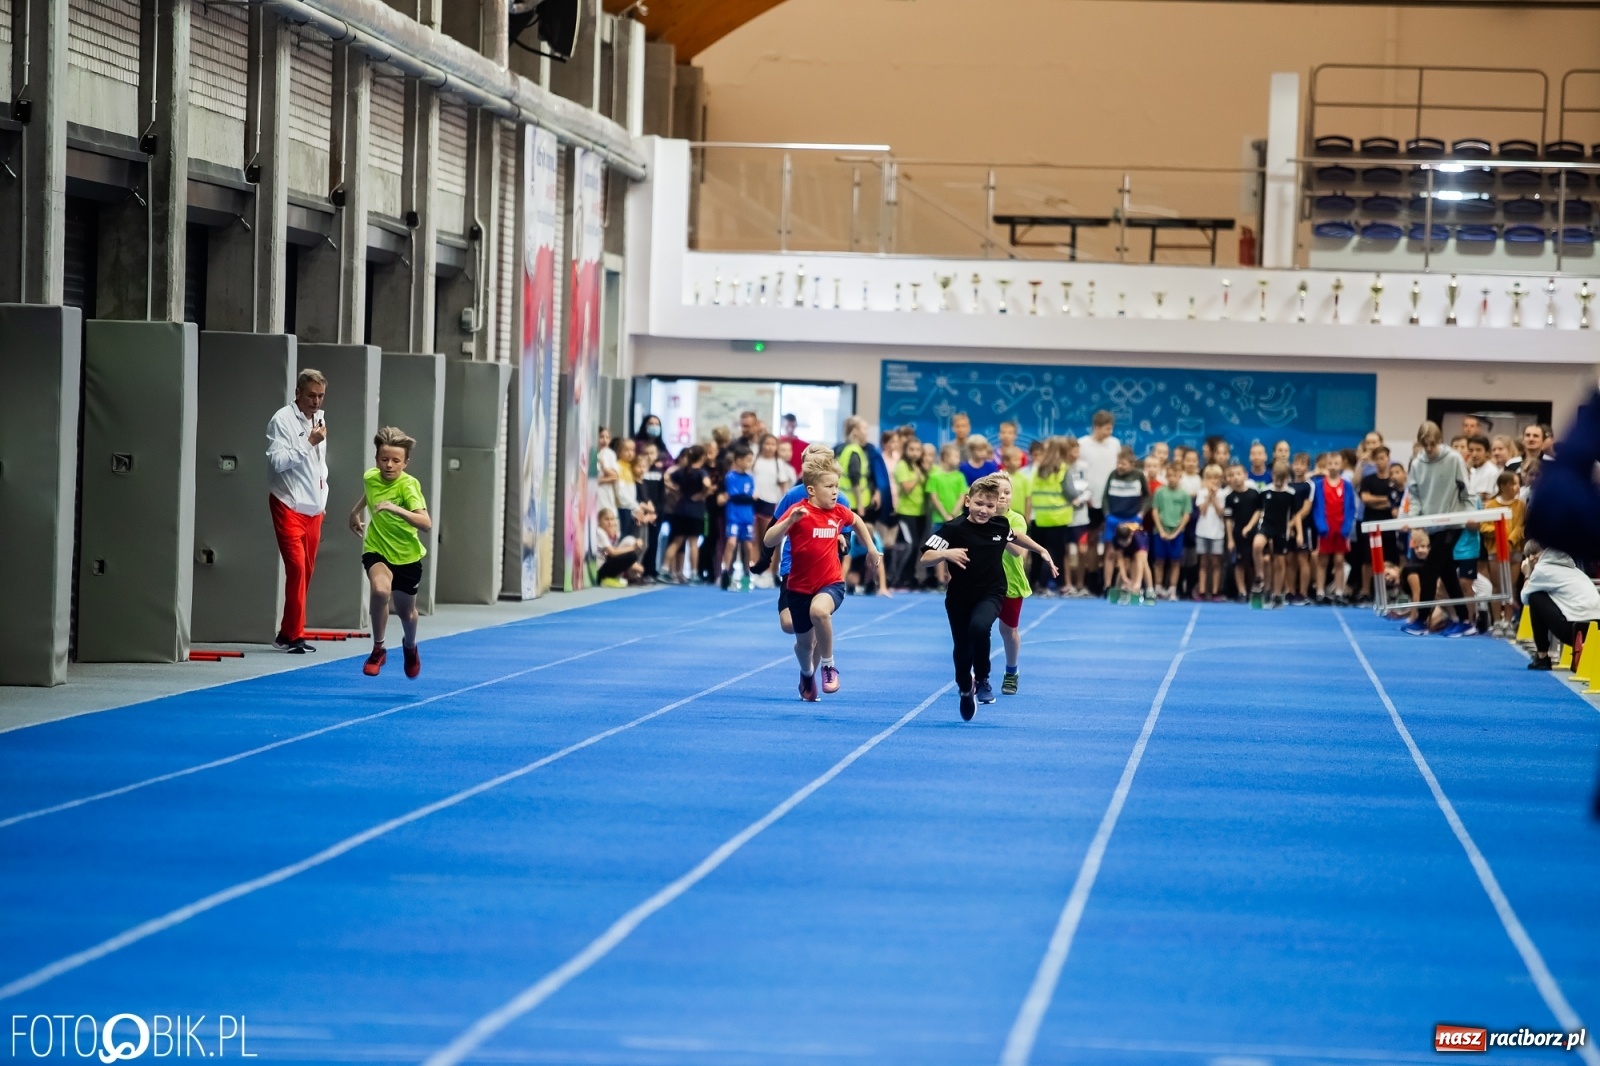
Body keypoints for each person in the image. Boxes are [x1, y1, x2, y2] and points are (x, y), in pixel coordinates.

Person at [764, 454, 881, 700]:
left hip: (831, 584)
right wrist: (788, 523)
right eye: (829, 487)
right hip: (798, 588)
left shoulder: (839, 511)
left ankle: (828, 666)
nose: (835, 492)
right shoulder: (798, 511)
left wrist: (870, 548)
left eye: (836, 486)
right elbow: (768, 540)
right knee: (805, 646)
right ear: (811, 490)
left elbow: (858, 521)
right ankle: (807, 675)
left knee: (820, 612)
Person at [921, 474, 1016, 721]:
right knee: (962, 649)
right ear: (967, 501)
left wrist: (1041, 550)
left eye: (990, 506)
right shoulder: (953, 528)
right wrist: (947, 553)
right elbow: (925, 557)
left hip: (992, 591)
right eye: (979, 504)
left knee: (980, 626)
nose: (984, 510)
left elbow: (1014, 538)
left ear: (997, 507)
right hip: (960, 596)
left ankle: (983, 677)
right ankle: (966, 687)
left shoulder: (1001, 526)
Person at [348, 426, 431, 679]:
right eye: (384, 459)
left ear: (405, 463)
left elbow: (425, 523)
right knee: (381, 590)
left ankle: (410, 646)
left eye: (396, 461)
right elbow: (371, 492)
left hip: (407, 555)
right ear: (376, 460)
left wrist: (395, 509)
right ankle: (378, 649)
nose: (389, 465)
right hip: (377, 548)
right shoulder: (370, 476)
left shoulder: (409, 486)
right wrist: (355, 511)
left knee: (407, 613)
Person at [266, 369, 329, 654]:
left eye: (320, 396)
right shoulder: (281, 420)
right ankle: (294, 634)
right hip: (289, 504)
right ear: (298, 393)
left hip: (314, 507)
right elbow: (278, 462)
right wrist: (308, 442)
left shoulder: (320, 419)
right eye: (311, 396)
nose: (316, 401)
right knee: (297, 568)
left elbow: (318, 464)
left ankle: (287, 633)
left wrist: (323, 495)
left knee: (308, 571)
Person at [1403, 420, 1474, 637]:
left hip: (1452, 522)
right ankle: (1464, 619)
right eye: (1425, 446)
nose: (1429, 449)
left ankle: (1422, 619)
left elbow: (1466, 489)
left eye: (1432, 444)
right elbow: (1414, 495)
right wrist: (1414, 521)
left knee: (1429, 571)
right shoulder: (1417, 464)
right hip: (1432, 524)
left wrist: (1470, 514)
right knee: (1448, 574)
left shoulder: (1453, 458)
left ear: (1439, 441)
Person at [996, 472, 1058, 693]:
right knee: (978, 628)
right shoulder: (978, 517)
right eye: (997, 492)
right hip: (984, 584)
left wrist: (999, 529)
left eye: (1007, 492)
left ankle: (1011, 671)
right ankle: (978, 675)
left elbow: (1018, 552)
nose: (1002, 496)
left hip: (1011, 583)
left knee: (1008, 631)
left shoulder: (1016, 520)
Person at [1521, 546, 1600, 670]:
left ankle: (1542, 656)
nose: (1531, 558)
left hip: (1576, 631)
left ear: (1545, 551)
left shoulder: (1543, 570)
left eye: (1535, 553)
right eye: (1528, 555)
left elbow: (1525, 599)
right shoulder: (1575, 571)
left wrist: (1527, 575)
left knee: (1535, 597)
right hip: (1596, 630)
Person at [1027, 437, 1074, 595]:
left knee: (1038, 554)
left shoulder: (1037, 468)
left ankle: (1036, 584)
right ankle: (1052, 585)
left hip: (1040, 517)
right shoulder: (1062, 469)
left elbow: (1032, 490)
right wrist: (1080, 497)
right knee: (1056, 554)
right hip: (1058, 518)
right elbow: (1070, 492)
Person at [1101, 445, 1150, 594]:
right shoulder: (1112, 475)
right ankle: (1108, 586)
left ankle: (1134, 585)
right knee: (1111, 552)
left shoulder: (1139, 476)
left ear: (1131, 464)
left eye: (1123, 464)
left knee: (1135, 553)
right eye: (1118, 463)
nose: (1119, 466)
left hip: (1132, 519)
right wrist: (1107, 514)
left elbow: (1148, 497)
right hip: (1113, 519)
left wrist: (1140, 515)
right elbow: (1105, 497)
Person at [1311, 450, 1356, 605]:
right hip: (1326, 528)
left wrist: (1347, 527)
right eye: (1330, 463)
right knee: (1322, 561)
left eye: (1336, 463)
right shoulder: (1319, 485)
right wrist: (1321, 525)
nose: (1333, 466)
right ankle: (1320, 592)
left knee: (1339, 561)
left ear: (1342, 465)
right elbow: (1316, 507)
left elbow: (1351, 508)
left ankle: (1339, 591)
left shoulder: (1347, 486)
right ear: (1326, 465)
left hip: (1341, 528)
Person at [664, 444, 712, 583]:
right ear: (702, 457)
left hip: (680, 508)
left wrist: (675, 490)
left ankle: (665, 569)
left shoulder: (682, 471)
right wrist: (703, 494)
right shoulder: (702, 472)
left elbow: (666, 478)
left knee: (676, 541)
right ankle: (694, 573)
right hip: (695, 510)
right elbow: (707, 484)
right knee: (693, 542)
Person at [751, 433, 794, 580]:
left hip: (771, 502)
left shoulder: (778, 463)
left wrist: (785, 504)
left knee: (768, 539)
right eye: (766, 444)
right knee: (754, 538)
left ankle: (769, 572)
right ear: (761, 445)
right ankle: (754, 568)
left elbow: (783, 485)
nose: (769, 447)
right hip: (755, 500)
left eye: (772, 444)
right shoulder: (755, 461)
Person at [1079, 410, 1121, 563]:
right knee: (1092, 539)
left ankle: (1105, 575)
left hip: (1111, 500)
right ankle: (1091, 573)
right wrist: (1084, 494)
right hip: (1090, 500)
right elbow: (1077, 472)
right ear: (1096, 427)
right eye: (1107, 429)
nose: (1110, 432)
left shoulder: (1115, 444)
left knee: (1111, 539)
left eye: (1111, 428)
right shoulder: (1082, 444)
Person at [1257, 461, 1299, 608]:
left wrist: (1296, 531)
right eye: (1276, 478)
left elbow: (1295, 515)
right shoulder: (1265, 491)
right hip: (1266, 527)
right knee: (1260, 549)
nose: (1279, 482)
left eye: (1282, 479)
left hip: (1281, 530)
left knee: (1279, 562)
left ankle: (1276, 594)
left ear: (1287, 478)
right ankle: (1260, 576)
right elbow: (1259, 511)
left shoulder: (1290, 494)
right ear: (1272, 476)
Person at [719, 444, 759, 590]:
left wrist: (750, 498)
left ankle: (747, 575)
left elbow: (749, 496)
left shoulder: (750, 478)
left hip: (747, 517)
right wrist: (750, 498)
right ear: (739, 460)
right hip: (734, 516)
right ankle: (725, 573)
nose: (750, 463)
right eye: (748, 460)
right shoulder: (730, 476)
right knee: (731, 543)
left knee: (748, 546)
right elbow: (735, 496)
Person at [1150, 461, 1191, 600]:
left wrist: (1176, 532)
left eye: (1175, 475)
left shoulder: (1184, 495)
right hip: (1160, 532)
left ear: (1180, 476)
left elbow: (1186, 515)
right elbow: (1155, 511)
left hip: (1177, 532)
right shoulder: (1159, 492)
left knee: (1175, 561)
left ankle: (1172, 590)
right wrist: (1161, 530)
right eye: (1170, 475)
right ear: (1166, 476)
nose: (1172, 478)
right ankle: (1158, 588)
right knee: (1159, 560)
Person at [892, 439, 930, 589]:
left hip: (921, 512)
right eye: (911, 449)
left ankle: (912, 577)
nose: (915, 453)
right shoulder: (902, 466)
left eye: (917, 450)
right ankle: (900, 577)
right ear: (906, 451)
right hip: (906, 512)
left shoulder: (921, 467)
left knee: (920, 547)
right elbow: (906, 487)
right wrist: (918, 476)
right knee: (910, 545)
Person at [1224, 463, 1261, 601]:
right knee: (1239, 563)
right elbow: (1228, 520)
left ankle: (1254, 590)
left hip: (1253, 533)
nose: (1236, 478)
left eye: (1238, 474)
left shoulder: (1253, 494)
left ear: (1245, 475)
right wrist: (1230, 539)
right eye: (1232, 475)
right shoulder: (1229, 497)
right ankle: (1242, 592)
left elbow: (1258, 511)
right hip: (1237, 534)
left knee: (1252, 563)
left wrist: (1250, 526)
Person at [1194, 463, 1227, 601]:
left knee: (1215, 562)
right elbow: (1202, 510)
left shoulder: (1223, 494)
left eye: (1216, 478)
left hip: (1217, 532)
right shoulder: (1201, 493)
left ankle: (1215, 591)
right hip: (1202, 531)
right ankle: (1201, 590)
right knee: (1203, 562)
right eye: (1211, 478)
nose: (1214, 481)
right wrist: (1208, 497)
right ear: (1205, 479)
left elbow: (1221, 512)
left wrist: (1214, 497)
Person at [594, 508, 644, 587]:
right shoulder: (599, 532)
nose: (610, 522)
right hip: (599, 571)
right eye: (606, 519)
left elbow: (626, 543)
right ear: (600, 520)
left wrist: (637, 541)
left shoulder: (615, 533)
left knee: (630, 541)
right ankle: (608, 578)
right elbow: (613, 553)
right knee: (631, 555)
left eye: (612, 519)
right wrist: (633, 547)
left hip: (607, 562)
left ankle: (627, 575)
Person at [595, 427, 620, 517]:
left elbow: (615, 476)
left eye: (607, 437)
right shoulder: (592, 453)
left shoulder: (609, 454)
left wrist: (604, 468)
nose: (604, 440)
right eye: (601, 437)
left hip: (605, 492)